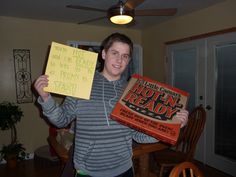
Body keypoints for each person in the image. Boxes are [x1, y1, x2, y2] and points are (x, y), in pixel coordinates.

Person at [34, 33, 188, 177]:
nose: (119, 60)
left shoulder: (133, 92)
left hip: (124, 169)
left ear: (128, 60)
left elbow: (139, 135)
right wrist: (46, 98)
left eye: (125, 56)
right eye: (115, 53)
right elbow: (61, 120)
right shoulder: (82, 83)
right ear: (103, 54)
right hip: (88, 171)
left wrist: (171, 127)